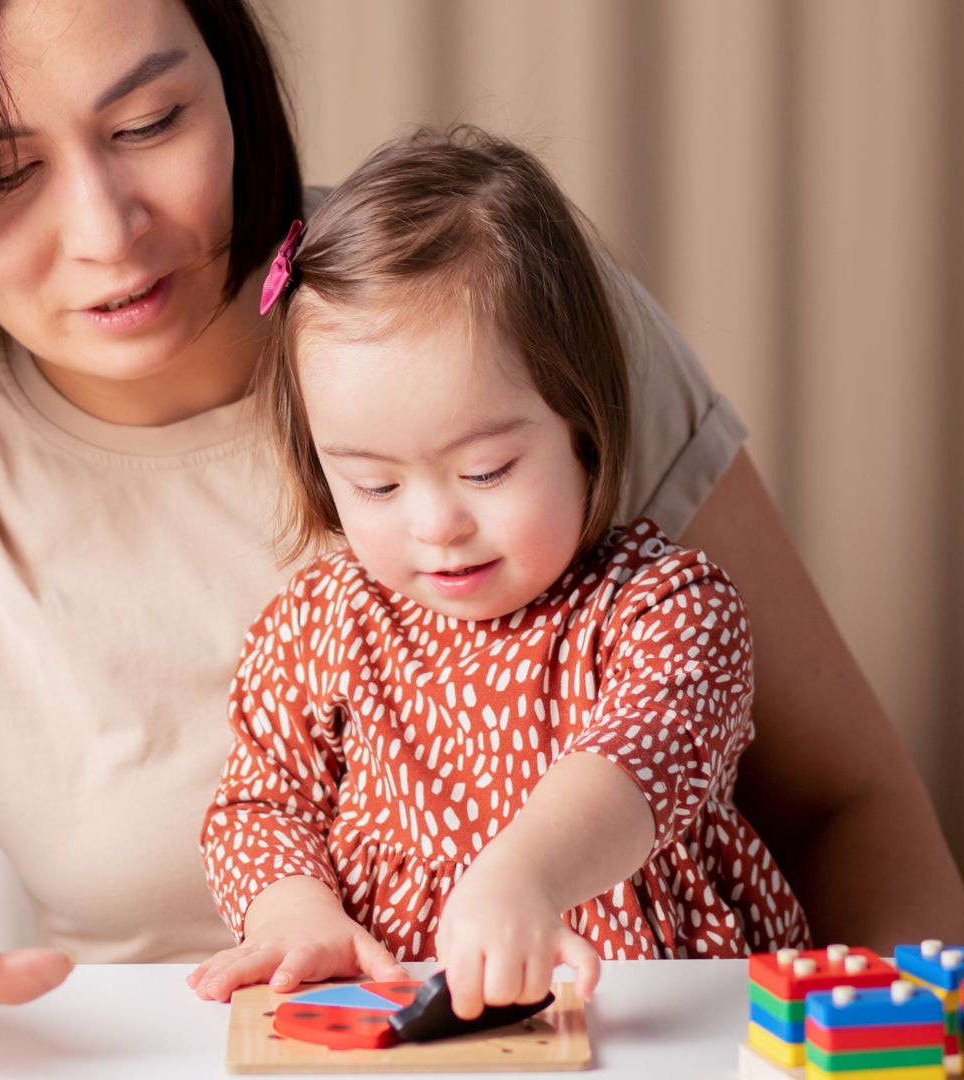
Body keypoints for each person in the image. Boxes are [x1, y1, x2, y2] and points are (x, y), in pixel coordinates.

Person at [0, 0, 964, 1031]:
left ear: (234, 86)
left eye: (153, 123)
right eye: (1, 176)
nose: (107, 234)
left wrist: (889, 1042)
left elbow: (848, 804)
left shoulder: (491, 327)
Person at [191, 130, 805, 1018]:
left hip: (652, 1009)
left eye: (485, 471)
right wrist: (292, 911)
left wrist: (525, 875)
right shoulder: (319, 625)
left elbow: (642, 754)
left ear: (581, 429)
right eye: (376, 484)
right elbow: (259, 798)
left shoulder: (668, 609)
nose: (437, 523)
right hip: (403, 1018)